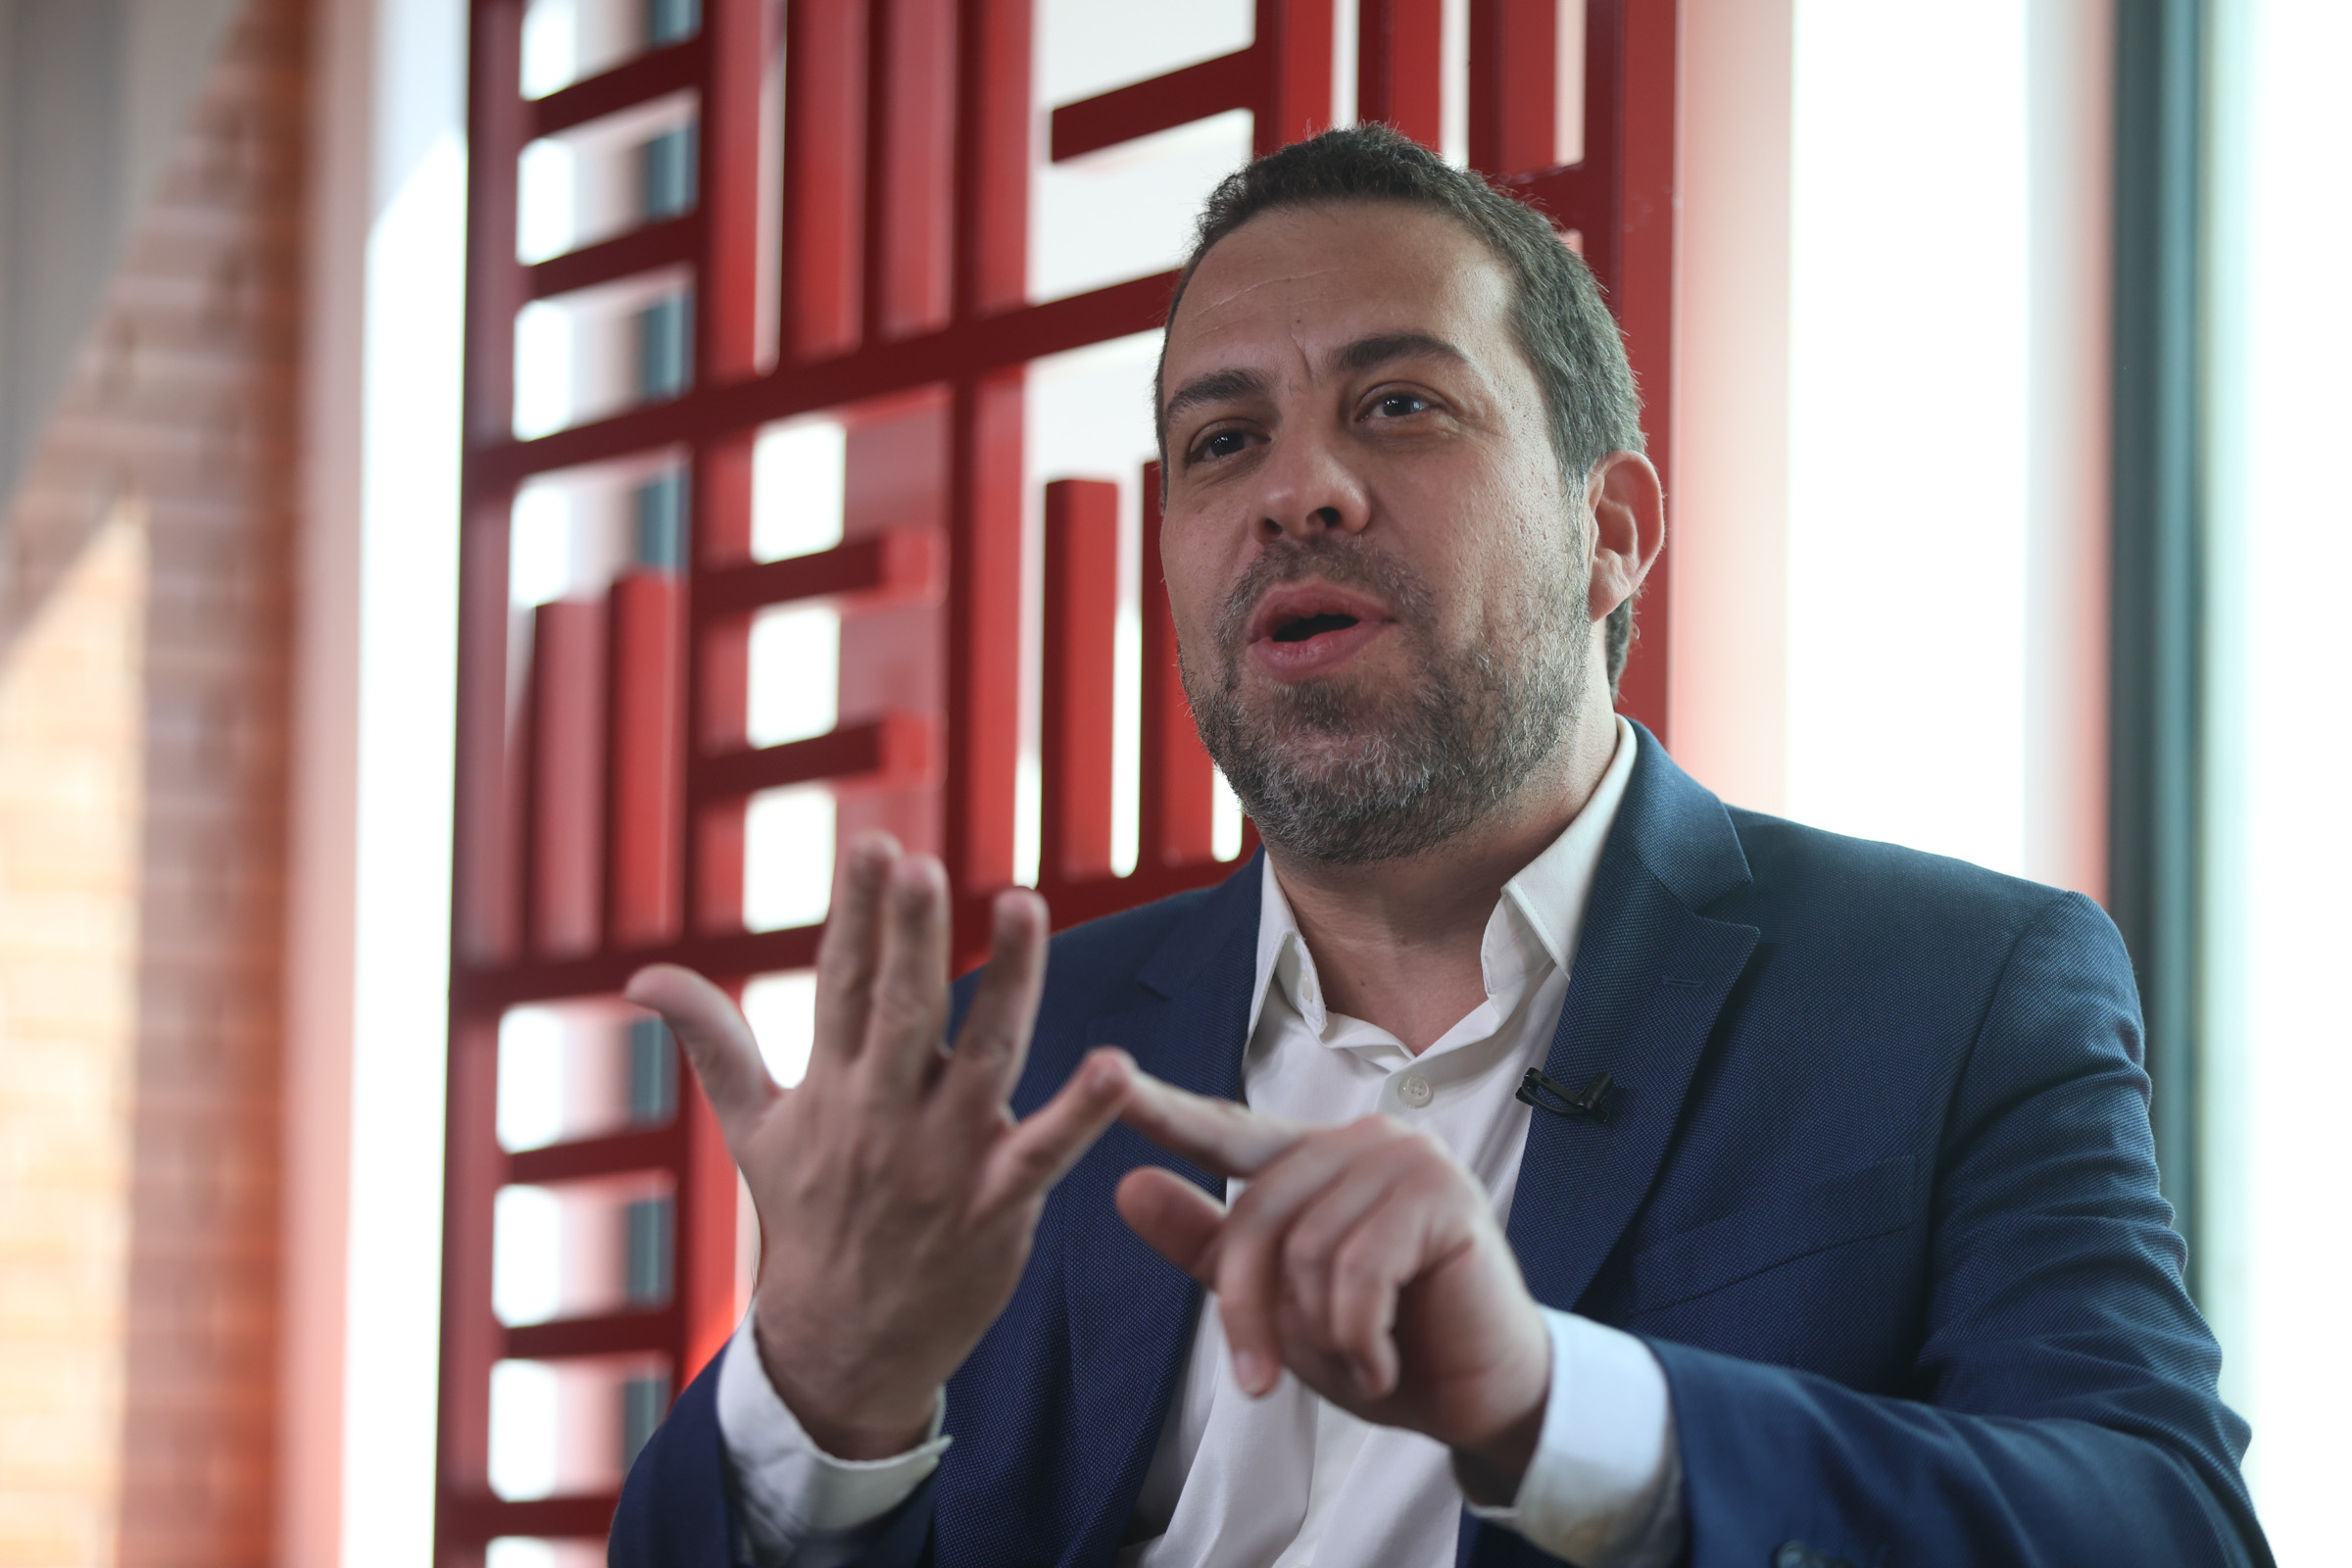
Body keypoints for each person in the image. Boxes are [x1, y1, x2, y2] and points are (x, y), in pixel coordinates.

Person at [608, 126, 2268, 1568]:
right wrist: (817, 1398)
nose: (1298, 493)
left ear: (1610, 531)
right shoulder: (1017, 1060)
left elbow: (2162, 1526)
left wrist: (1561, 1408)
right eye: (1222, 440)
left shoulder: (1953, 993)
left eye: (1399, 404)